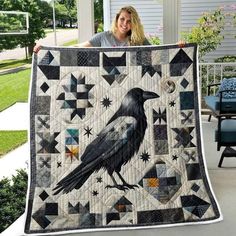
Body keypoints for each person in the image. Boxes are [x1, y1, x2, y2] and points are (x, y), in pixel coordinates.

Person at [33, 6, 150, 53]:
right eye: (122, 19)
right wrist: (47, 49)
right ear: (117, 19)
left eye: (129, 21)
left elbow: (159, 53)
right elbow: (77, 47)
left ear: (134, 24)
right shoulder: (103, 37)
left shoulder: (139, 40)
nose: (125, 23)